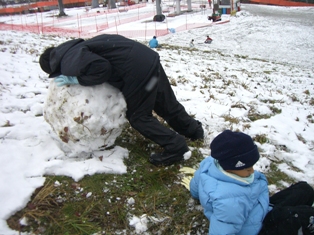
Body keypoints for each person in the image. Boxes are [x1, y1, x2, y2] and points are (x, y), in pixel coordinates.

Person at [39, 34, 204, 166]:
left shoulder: (69, 61)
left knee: (138, 117)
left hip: (137, 73)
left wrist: (77, 80)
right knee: (164, 103)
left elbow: (102, 69)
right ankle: (194, 130)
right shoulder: (78, 47)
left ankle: (176, 147)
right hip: (149, 63)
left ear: (54, 67)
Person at [181, 130, 314, 235]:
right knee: (305, 216)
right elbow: (222, 231)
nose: (252, 171)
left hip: (260, 209)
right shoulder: (229, 203)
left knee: (304, 190)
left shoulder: (210, 164)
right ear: (231, 166)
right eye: (247, 168)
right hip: (261, 228)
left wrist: (195, 193)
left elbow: (196, 185)